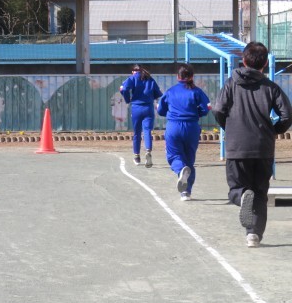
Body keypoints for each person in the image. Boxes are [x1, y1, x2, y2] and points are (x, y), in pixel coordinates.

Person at [212, 42, 292, 248]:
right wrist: (274, 130)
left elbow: (218, 109)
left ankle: (240, 198)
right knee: (260, 193)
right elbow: (287, 114)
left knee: (236, 188)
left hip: (237, 146)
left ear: (243, 60)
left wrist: (228, 127)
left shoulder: (231, 84)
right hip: (263, 148)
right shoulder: (271, 87)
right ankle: (253, 234)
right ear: (265, 63)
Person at [157, 64, 210, 201]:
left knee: (174, 155)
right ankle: (186, 192)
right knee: (189, 159)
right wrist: (196, 113)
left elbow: (160, 110)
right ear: (192, 76)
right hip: (191, 127)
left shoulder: (170, 91)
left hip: (174, 126)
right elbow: (206, 108)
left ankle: (180, 169)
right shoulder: (197, 91)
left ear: (177, 77)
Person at [119, 64, 163, 167]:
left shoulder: (132, 78)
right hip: (148, 108)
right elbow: (158, 93)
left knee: (137, 133)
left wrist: (127, 99)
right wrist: (150, 97)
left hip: (136, 108)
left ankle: (137, 157)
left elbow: (124, 89)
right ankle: (148, 151)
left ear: (133, 71)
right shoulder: (149, 78)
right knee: (147, 131)